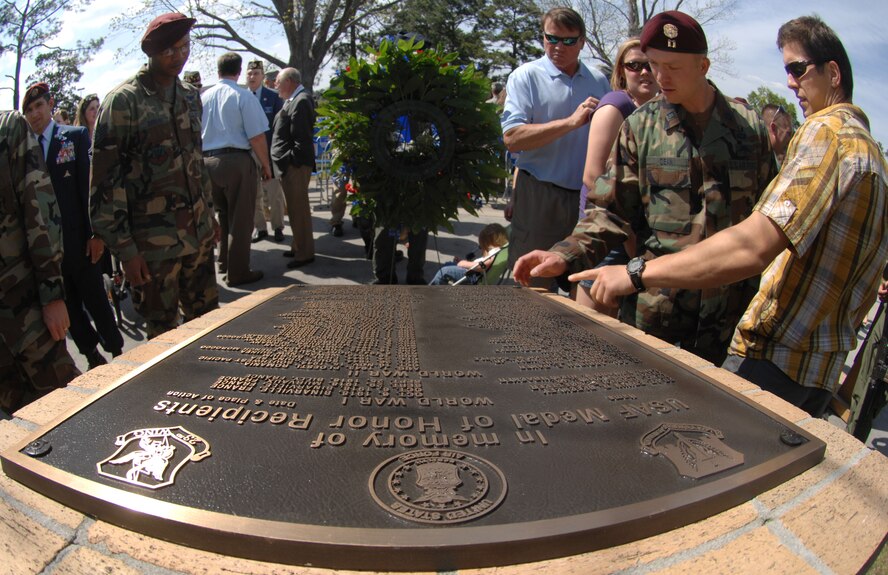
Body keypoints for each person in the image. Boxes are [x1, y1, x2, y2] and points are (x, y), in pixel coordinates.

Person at [578, 15, 887, 418]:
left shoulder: (822, 134)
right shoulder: (871, 153)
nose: (791, 82)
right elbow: (610, 209)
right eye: (787, 71)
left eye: (798, 69)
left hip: (774, 355)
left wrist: (635, 273)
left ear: (833, 73)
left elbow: (753, 244)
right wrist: (570, 253)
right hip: (812, 364)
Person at [513, 10, 777, 366]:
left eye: (674, 67)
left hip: (728, 320)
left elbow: (769, 218)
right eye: (653, 64)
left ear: (703, 66)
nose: (660, 77)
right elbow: (609, 211)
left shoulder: (749, 130)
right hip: (655, 311)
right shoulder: (641, 127)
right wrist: (563, 254)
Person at [90, 12, 220, 339]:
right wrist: (126, 252)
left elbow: (196, 161)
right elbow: (105, 184)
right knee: (163, 341)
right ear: (151, 53)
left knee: (210, 330)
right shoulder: (123, 103)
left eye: (185, 47)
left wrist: (210, 215)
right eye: (169, 51)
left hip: (199, 239)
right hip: (153, 249)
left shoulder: (190, 97)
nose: (179, 56)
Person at [500, 7, 610, 287]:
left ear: (582, 42)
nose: (558, 47)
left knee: (580, 284)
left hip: (585, 197)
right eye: (551, 38)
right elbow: (512, 138)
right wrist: (571, 122)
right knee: (532, 283)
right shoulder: (526, 77)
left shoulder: (599, 81)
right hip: (539, 194)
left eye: (568, 41)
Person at [22, 82, 124, 368]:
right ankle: (92, 355)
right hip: (51, 251)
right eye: (29, 110)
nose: (35, 114)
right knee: (70, 310)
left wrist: (96, 233)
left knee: (96, 301)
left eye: (38, 106)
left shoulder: (74, 137)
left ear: (50, 104)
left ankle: (117, 351)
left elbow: (88, 189)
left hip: (80, 241)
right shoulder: (26, 151)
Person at [0, 111, 80, 416]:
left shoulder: (8, 130)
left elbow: (40, 212)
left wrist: (52, 295)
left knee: (71, 407)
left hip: (28, 310)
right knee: (21, 426)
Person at [576, 37, 659, 315]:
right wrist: (628, 237)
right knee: (591, 333)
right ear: (622, 71)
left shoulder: (660, 112)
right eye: (634, 65)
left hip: (641, 236)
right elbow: (592, 176)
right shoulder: (615, 107)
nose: (644, 71)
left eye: (649, 64)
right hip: (609, 237)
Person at [201, 52, 272, 287]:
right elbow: (257, 136)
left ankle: (224, 262)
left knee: (223, 215)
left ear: (218, 70)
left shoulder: (203, 97)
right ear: (239, 71)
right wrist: (266, 165)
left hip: (208, 162)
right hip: (236, 161)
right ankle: (238, 272)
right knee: (241, 219)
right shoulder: (243, 96)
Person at [271, 67, 316, 269]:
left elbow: (302, 139)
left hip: (295, 166)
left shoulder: (302, 101)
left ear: (289, 81)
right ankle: (298, 246)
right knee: (295, 210)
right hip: (289, 166)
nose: (275, 85)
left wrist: (292, 162)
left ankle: (304, 253)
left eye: (278, 81)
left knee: (299, 210)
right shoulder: (293, 100)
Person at [245, 59, 286, 244]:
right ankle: (260, 228)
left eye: (256, 73)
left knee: (274, 193)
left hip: (269, 152)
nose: (252, 77)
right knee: (254, 194)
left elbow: (278, 126)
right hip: (248, 154)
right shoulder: (241, 97)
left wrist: (273, 154)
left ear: (262, 76)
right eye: (249, 73)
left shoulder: (273, 97)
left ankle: (278, 227)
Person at [430, 224, 509, 285]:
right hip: (472, 271)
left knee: (444, 272)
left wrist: (463, 263)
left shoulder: (496, 251)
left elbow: (483, 265)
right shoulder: (500, 250)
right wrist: (462, 262)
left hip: (473, 276)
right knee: (447, 265)